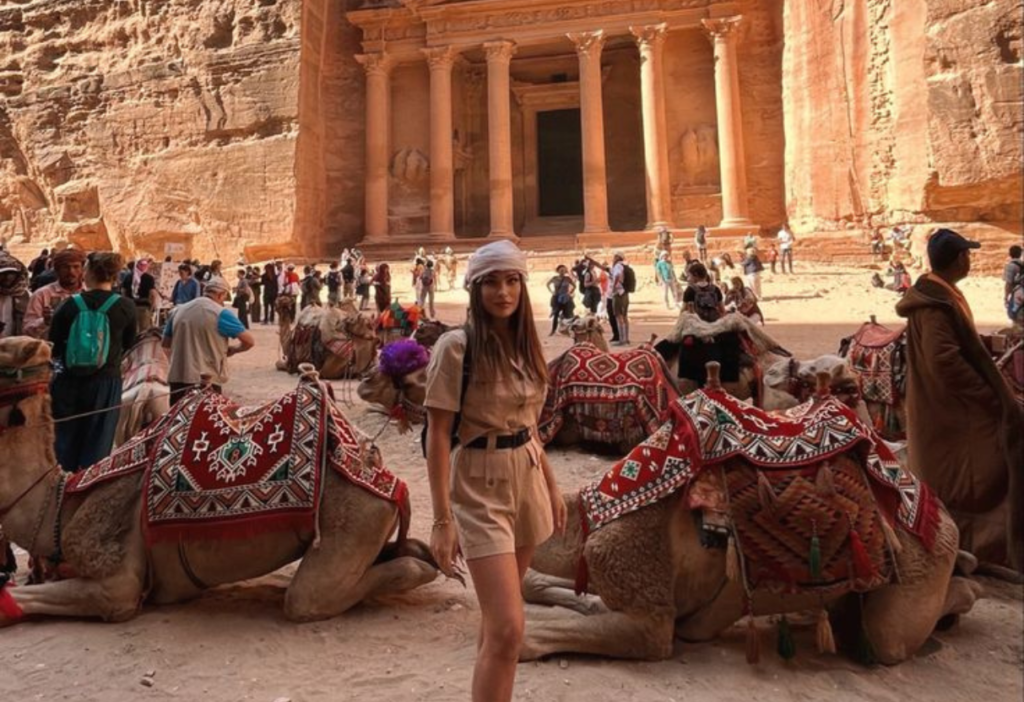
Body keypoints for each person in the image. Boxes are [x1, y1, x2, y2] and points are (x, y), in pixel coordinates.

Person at [424, 239, 565, 702]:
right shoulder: (456, 347)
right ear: (474, 288)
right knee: (508, 630)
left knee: (497, 625)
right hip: (479, 484)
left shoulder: (527, 345)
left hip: (526, 477)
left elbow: (530, 425)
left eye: (511, 281)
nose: (502, 292)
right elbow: (439, 435)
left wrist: (551, 483)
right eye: (491, 283)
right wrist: (442, 520)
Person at [895, 229, 1023, 572]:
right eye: (966, 254)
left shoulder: (942, 295)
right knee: (1004, 445)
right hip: (950, 412)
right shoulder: (935, 306)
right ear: (957, 260)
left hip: (944, 407)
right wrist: (991, 399)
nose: (970, 259)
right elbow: (945, 362)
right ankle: (996, 545)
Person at [48, 252, 137, 472]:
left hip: (68, 382)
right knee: (98, 443)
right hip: (105, 383)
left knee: (64, 441)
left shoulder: (69, 305)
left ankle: (60, 491)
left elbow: (54, 345)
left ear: (88, 273)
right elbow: (129, 344)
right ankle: (85, 492)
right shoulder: (125, 306)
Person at [162, 276, 255, 406]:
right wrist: (234, 349)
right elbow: (249, 341)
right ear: (221, 294)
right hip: (207, 381)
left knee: (178, 422)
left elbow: (165, 344)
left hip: (178, 379)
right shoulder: (221, 313)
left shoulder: (178, 310)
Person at [23, 247, 85, 339]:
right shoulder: (42, 294)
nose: (71, 271)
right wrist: (45, 322)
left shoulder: (89, 293)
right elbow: (27, 330)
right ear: (57, 269)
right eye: (66, 267)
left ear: (82, 269)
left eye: (75, 267)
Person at [121, 258, 159, 331]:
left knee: (131, 330)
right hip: (143, 308)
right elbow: (152, 293)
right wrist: (153, 306)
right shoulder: (149, 278)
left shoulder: (128, 277)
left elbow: (123, 292)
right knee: (143, 331)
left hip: (130, 306)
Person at [0, 251, 30, 338]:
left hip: (14, 346)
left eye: (11, 273)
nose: (7, 277)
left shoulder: (24, 295)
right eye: (3, 274)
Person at [546, 265, 576, 335]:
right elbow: (547, 284)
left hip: (566, 298)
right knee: (556, 314)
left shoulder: (567, 279)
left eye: (564, 270)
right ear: (558, 271)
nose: (562, 271)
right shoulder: (554, 278)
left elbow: (574, 286)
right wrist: (552, 292)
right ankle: (553, 330)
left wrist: (570, 293)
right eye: (561, 270)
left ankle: (568, 330)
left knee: (568, 315)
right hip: (557, 298)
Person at [610, 252, 631, 345]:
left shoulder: (617, 266)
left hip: (618, 293)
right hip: (625, 293)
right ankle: (626, 338)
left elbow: (617, 276)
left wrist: (614, 287)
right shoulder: (624, 266)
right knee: (625, 316)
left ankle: (622, 340)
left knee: (619, 316)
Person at [1003, 245, 1023, 321]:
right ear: (1020, 254)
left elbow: (1008, 283)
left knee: (1014, 314)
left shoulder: (1010, 266)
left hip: (1017, 295)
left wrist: (1006, 297)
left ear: (1010, 254)